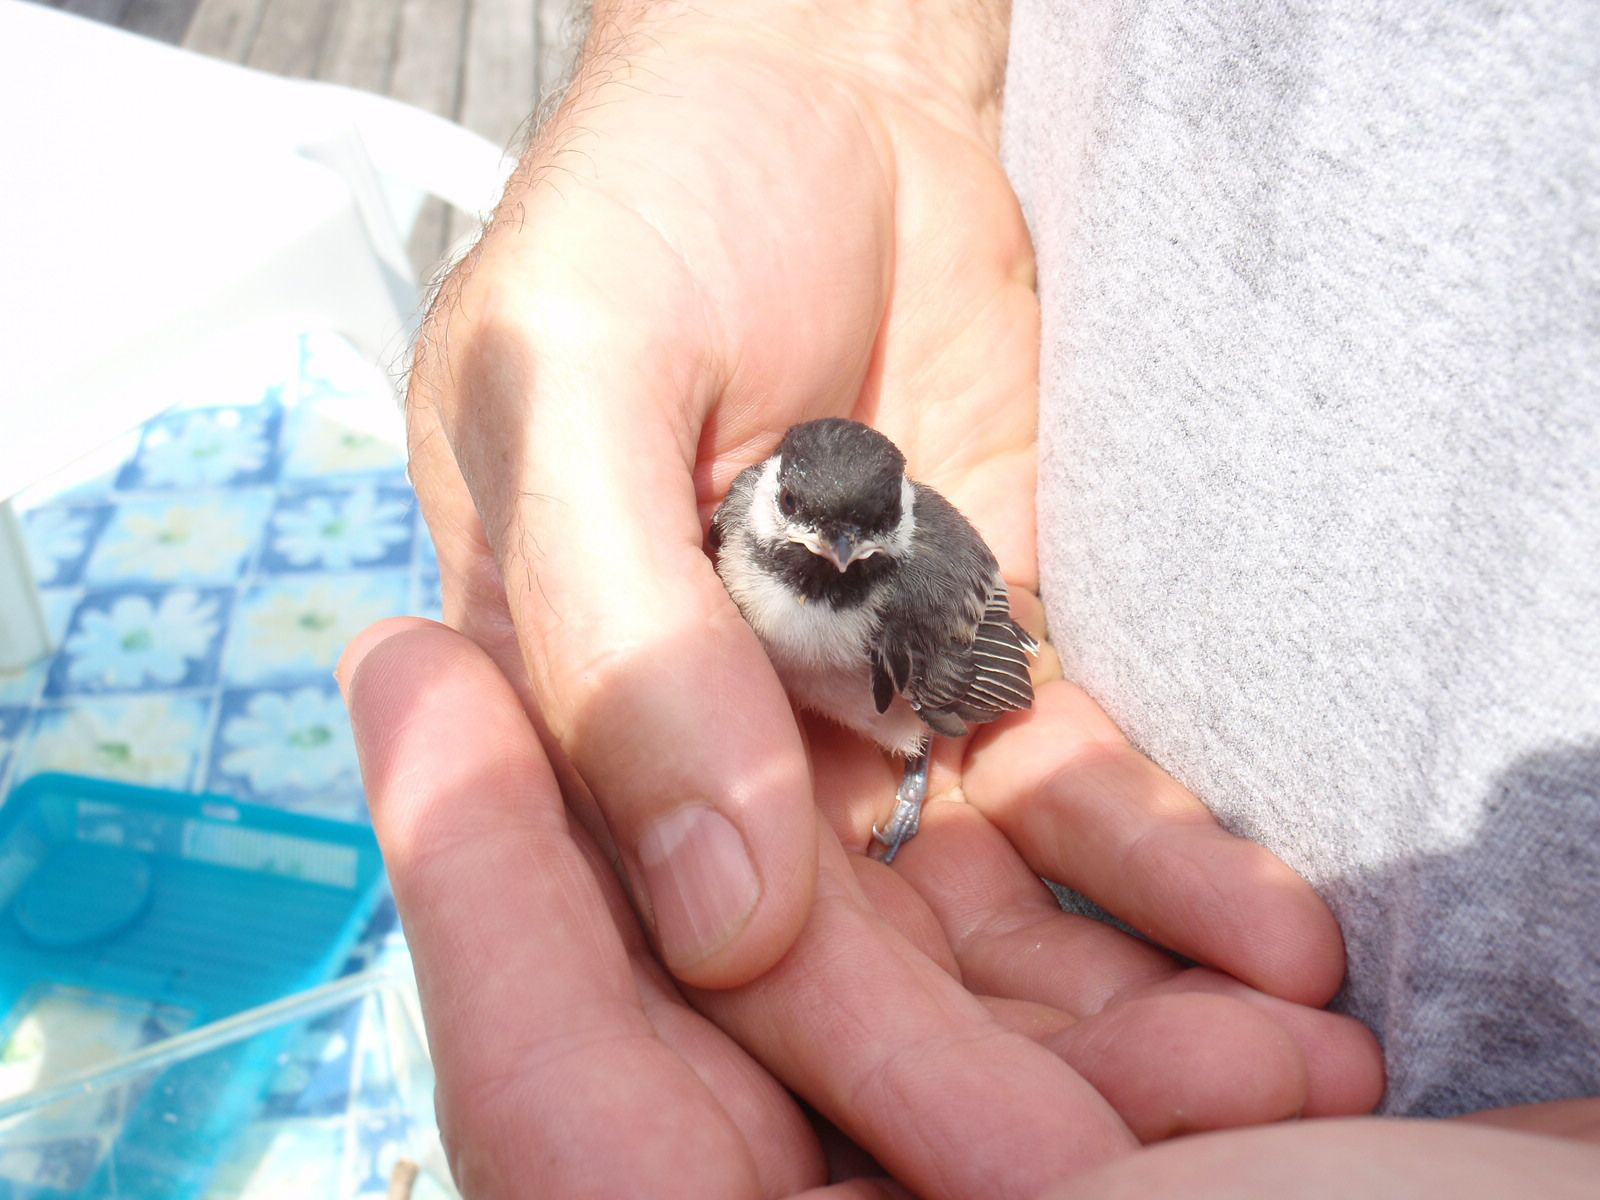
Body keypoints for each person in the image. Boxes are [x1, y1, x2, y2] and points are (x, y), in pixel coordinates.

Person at [338, 0, 1600, 1194]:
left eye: (857, 540)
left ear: (894, 525)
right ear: (761, 502)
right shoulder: (729, 521)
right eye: (804, 534)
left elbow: (987, 666)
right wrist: (825, 46)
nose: (830, 560)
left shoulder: (909, 601)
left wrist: (907, 791)